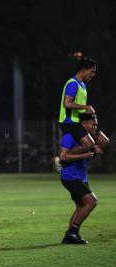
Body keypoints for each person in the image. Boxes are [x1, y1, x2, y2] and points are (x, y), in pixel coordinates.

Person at [59, 113, 105, 244]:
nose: (95, 127)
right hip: (70, 176)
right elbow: (62, 157)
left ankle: (69, 237)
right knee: (91, 201)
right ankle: (72, 232)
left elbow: (87, 155)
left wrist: (95, 153)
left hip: (80, 176)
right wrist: (86, 154)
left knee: (81, 206)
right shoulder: (69, 136)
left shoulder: (87, 140)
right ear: (83, 124)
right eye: (93, 124)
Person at [56, 58, 109, 160]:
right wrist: (86, 107)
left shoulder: (83, 85)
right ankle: (62, 158)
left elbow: (78, 109)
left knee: (104, 141)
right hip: (68, 122)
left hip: (78, 120)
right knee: (89, 144)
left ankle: (87, 154)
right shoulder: (73, 84)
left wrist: (91, 116)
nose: (93, 75)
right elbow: (67, 103)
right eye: (92, 71)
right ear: (84, 69)